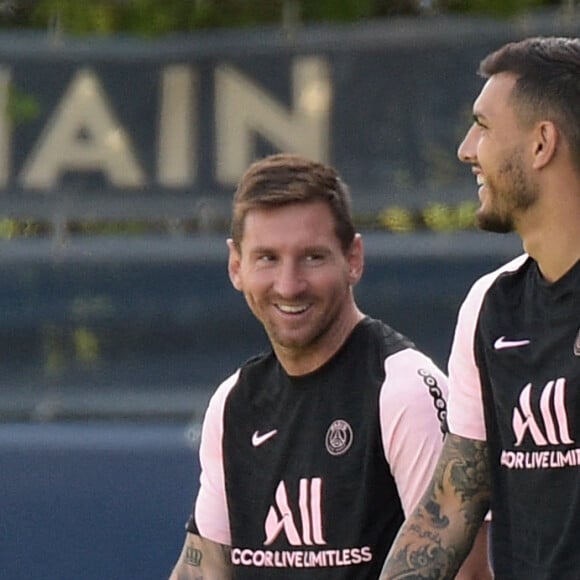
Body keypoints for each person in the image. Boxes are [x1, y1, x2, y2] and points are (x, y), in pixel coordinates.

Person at [169, 153, 490, 579]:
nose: (289, 284)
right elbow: (201, 572)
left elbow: (466, 574)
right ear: (236, 266)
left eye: (312, 257)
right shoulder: (233, 404)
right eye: (267, 258)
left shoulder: (402, 389)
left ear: (353, 258)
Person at [379, 36, 580, 579]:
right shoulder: (491, 305)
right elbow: (447, 510)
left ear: (542, 144)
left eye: (485, 126)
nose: (468, 148)